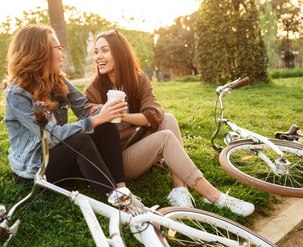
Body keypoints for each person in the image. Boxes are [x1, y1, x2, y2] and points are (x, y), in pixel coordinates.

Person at [84, 29, 254, 216]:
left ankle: (179, 190)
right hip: (117, 160)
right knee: (164, 137)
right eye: (96, 52)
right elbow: (98, 139)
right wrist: (137, 123)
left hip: (136, 141)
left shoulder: (137, 79)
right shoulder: (93, 90)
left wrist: (122, 116)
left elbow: (155, 113)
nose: (98, 56)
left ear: (119, 52)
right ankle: (215, 197)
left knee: (168, 119)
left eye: (104, 50)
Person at [3, 24, 144, 213]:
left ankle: (121, 188)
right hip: (36, 168)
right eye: (58, 48)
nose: (62, 53)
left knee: (106, 126)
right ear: (41, 52)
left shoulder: (57, 79)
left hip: (61, 157)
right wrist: (94, 120)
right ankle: (118, 202)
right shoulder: (17, 94)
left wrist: (104, 112)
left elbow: (84, 109)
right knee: (80, 139)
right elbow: (51, 136)